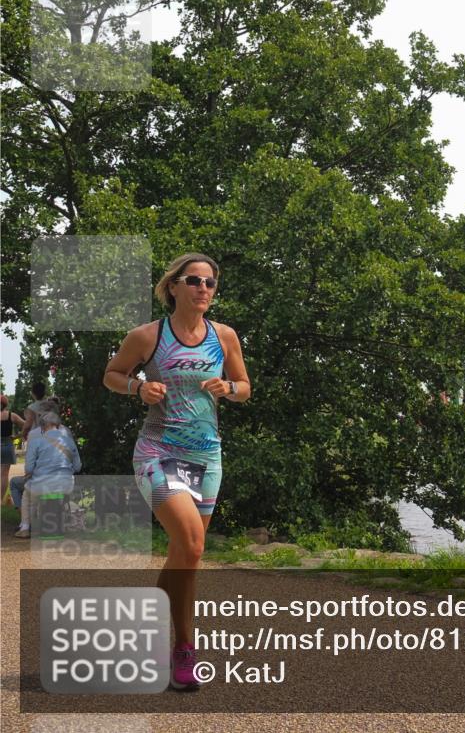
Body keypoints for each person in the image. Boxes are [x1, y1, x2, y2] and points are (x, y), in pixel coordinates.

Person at [103, 252, 250, 691]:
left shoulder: (224, 337)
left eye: (210, 283)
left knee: (188, 554)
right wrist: (137, 386)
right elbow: (111, 374)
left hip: (207, 457)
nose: (204, 289)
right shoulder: (148, 336)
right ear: (173, 287)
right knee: (190, 541)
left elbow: (244, 387)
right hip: (158, 451)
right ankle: (184, 650)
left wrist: (229, 387)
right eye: (194, 281)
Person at [16, 411, 82, 538]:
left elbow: (29, 468)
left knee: (27, 495)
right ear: (58, 425)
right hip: (66, 485)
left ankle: (25, 527)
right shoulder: (69, 441)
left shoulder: (35, 441)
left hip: (41, 485)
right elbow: (78, 467)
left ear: (42, 427)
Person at [1, 395, 26, 504]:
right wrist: (17, 436)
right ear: (6, 404)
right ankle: (1, 500)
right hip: (7, 445)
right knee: (4, 474)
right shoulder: (12, 415)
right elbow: (26, 425)